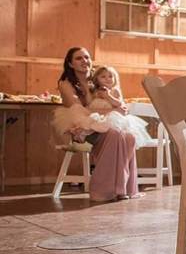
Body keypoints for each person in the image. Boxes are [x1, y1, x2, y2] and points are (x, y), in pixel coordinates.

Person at [53, 47, 139, 202]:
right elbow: (78, 108)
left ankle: (121, 187)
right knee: (114, 134)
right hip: (81, 125)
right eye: (79, 58)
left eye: (87, 57)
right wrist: (113, 109)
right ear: (70, 64)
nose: (84, 61)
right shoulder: (66, 83)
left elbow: (119, 102)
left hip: (105, 122)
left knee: (130, 137)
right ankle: (102, 190)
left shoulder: (100, 78)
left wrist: (117, 105)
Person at [89, 66, 152, 147]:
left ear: (115, 78)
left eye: (110, 76)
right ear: (97, 79)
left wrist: (108, 96)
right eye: (103, 77)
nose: (107, 79)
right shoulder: (95, 92)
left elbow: (119, 104)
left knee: (114, 130)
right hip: (99, 117)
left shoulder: (114, 91)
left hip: (113, 118)